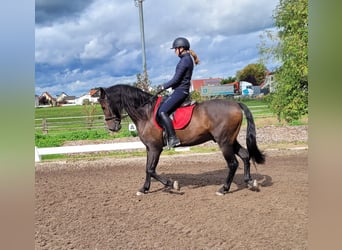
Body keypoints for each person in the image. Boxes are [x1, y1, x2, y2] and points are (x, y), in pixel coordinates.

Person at [157, 37, 200, 148]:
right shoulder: (187, 59)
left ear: (181, 48)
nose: (175, 51)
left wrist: (163, 86)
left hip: (181, 91)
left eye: (175, 49)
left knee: (162, 112)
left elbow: (176, 79)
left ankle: (173, 138)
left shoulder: (184, 61)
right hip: (181, 90)